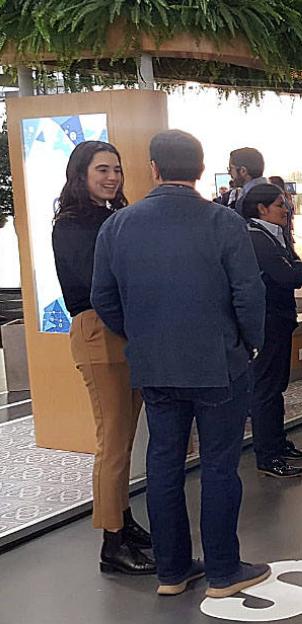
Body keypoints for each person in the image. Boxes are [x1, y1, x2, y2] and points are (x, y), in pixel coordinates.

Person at [91, 129, 271, 599]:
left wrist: (139, 335)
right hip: (218, 363)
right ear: (198, 168)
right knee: (218, 466)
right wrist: (249, 343)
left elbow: (103, 298)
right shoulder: (223, 222)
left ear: (152, 169)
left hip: (153, 363)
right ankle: (223, 571)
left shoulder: (119, 225)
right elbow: (249, 293)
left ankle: (171, 571)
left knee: (164, 464)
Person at [51, 140, 154, 576]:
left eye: (116, 169)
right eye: (102, 170)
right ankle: (111, 543)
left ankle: (123, 520)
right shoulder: (72, 223)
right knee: (111, 442)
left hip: (125, 331)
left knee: (125, 439)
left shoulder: (111, 217)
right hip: (99, 331)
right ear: (81, 174)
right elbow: (96, 281)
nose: (112, 177)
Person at [242, 183, 302, 479]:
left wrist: (296, 267)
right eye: (281, 205)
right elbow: (289, 275)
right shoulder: (257, 239)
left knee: (277, 386)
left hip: (280, 319)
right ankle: (267, 454)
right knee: (266, 388)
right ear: (262, 208)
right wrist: (296, 268)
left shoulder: (274, 237)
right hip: (268, 322)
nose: (286, 210)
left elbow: (293, 269)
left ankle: (277, 442)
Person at [226, 147, 265, 213]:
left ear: (243, 171)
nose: (229, 173)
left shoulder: (249, 200)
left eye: (231, 168)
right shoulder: (277, 194)